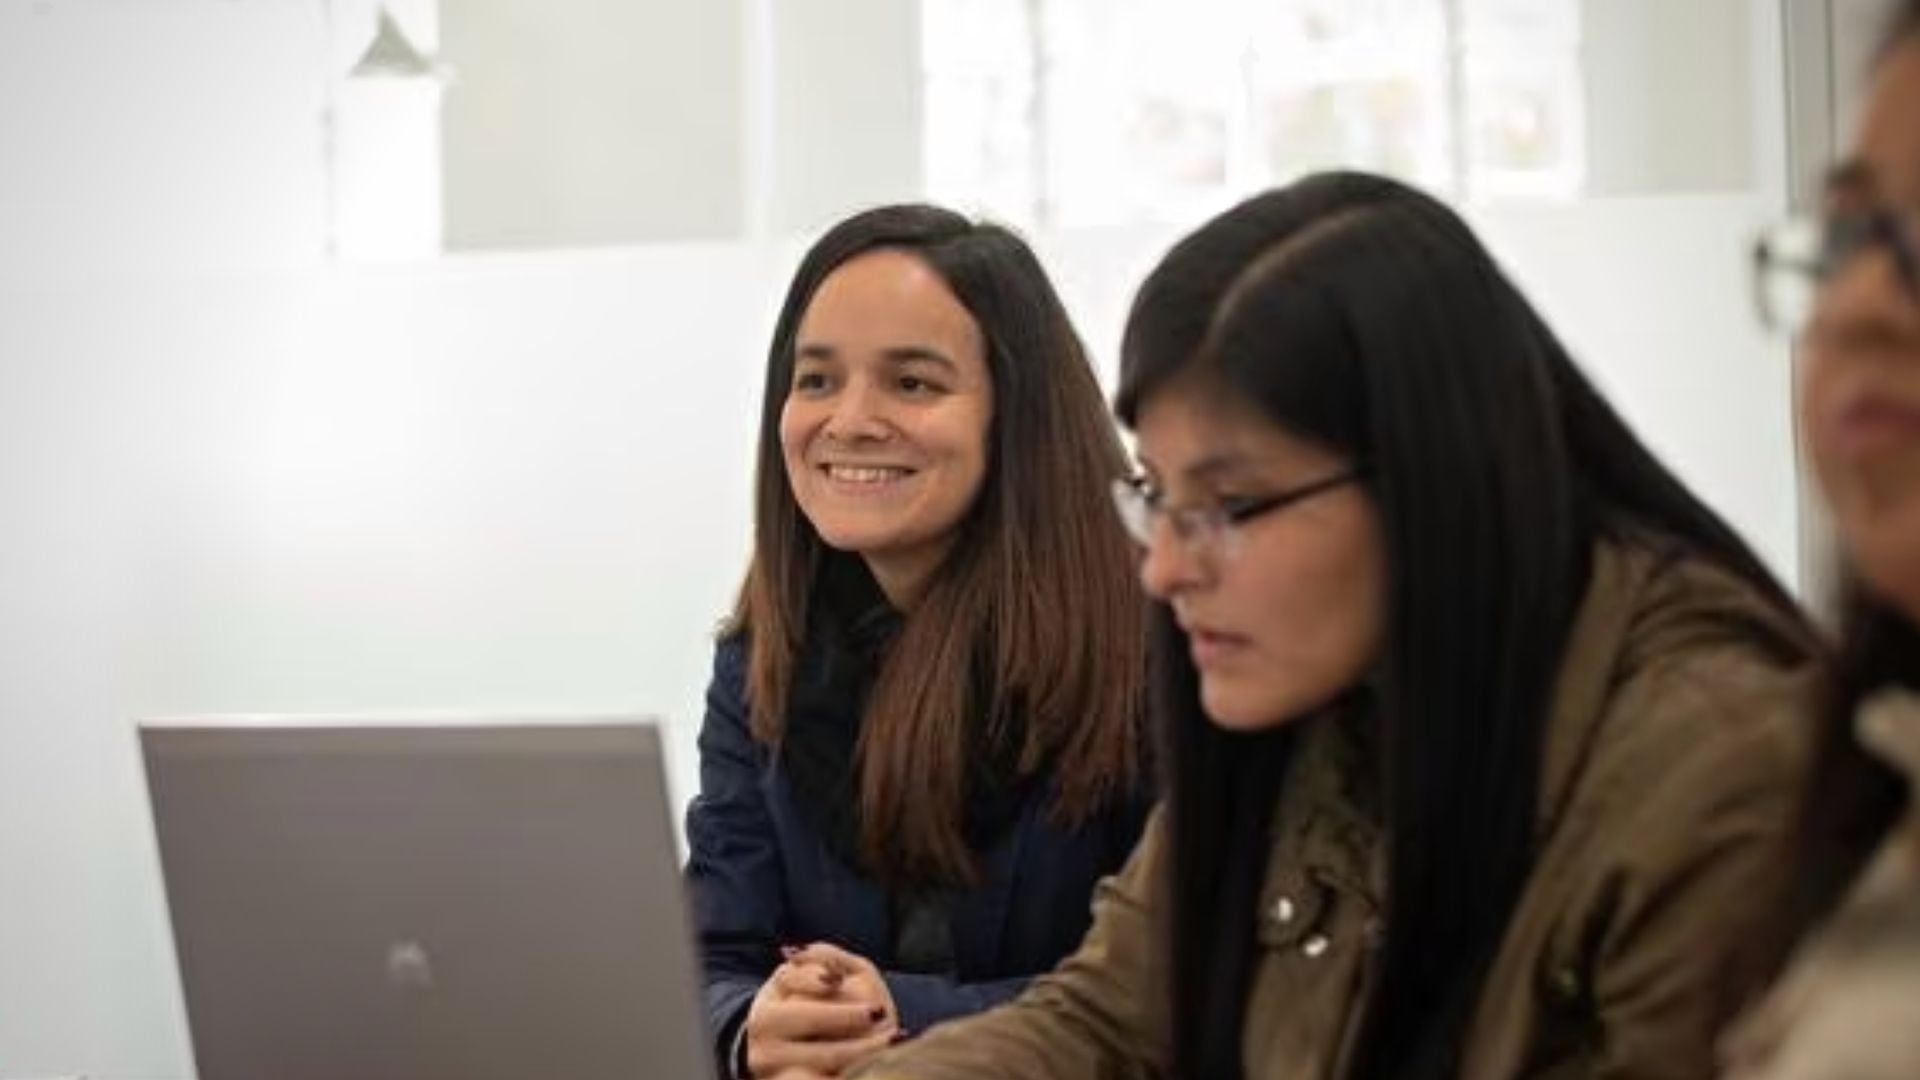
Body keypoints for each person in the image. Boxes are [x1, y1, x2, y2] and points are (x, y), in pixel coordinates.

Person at [851, 172, 1815, 1080]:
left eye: (1232, 504)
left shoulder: (1714, 769)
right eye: (1155, 494)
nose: (1166, 566)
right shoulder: (1319, 690)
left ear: (1430, 481)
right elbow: (1105, 1020)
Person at [683, 204, 1153, 1080]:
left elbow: (1168, 988)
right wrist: (753, 1029)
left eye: (912, 384)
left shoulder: (1158, 642)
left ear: (1015, 416)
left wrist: (900, 1016)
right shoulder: (763, 654)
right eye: (816, 380)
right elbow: (709, 955)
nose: (850, 419)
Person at [1720, 3, 1920, 1075]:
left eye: (1238, 502)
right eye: (1846, 239)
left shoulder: (1705, 736)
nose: (1856, 306)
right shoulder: (1873, 774)